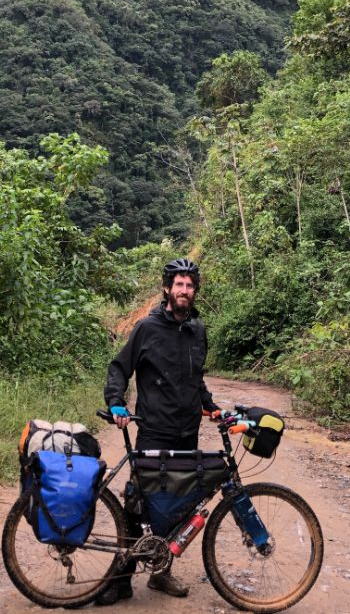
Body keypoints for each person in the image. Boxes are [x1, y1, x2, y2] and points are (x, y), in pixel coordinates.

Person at [98, 258, 220, 605]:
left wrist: (210, 406)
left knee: (178, 505)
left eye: (190, 285)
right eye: (179, 284)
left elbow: (196, 380)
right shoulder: (147, 328)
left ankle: (160, 573)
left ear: (195, 291)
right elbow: (120, 368)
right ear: (167, 288)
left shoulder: (197, 330)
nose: (185, 290)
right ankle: (120, 579)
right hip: (153, 429)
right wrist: (116, 401)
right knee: (139, 504)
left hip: (186, 431)